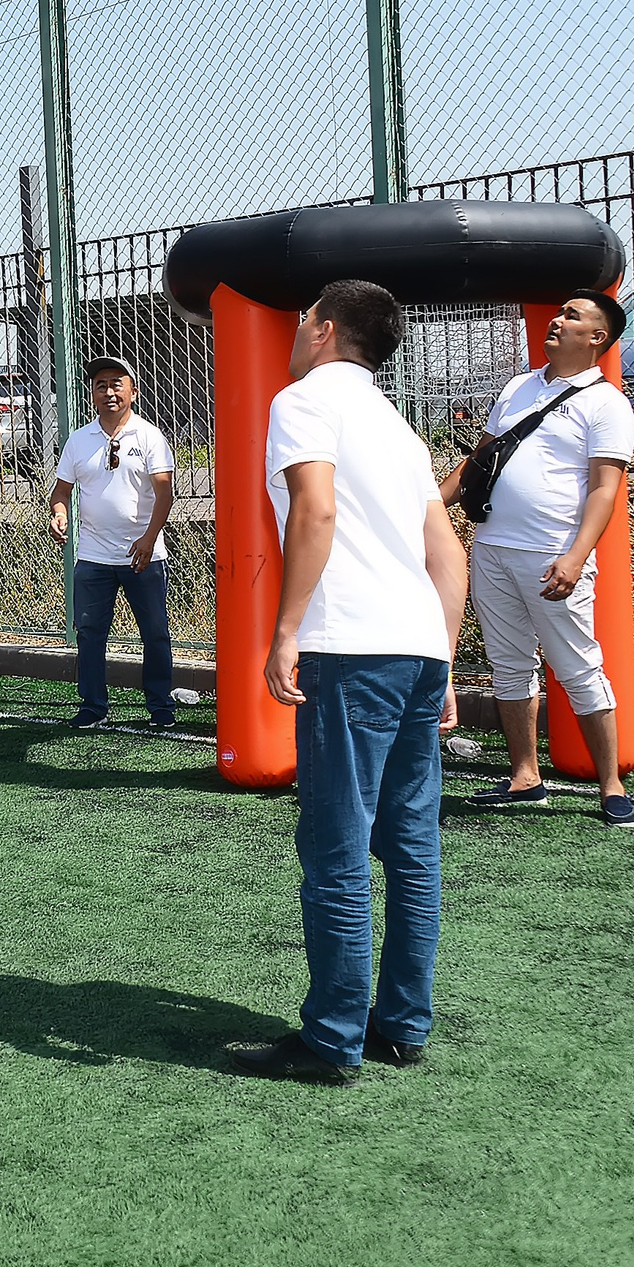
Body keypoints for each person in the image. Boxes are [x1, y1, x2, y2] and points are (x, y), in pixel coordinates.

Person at [228, 279, 467, 1085]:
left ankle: (331, 1038)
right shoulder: (401, 429)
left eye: (304, 319)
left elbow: (315, 512)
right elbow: (449, 558)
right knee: (412, 846)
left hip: (349, 646)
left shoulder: (302, 401)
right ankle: (400, 1024)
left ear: (324, 329)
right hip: (415, 649)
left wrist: (288, 629)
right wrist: (443, 659)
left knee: (335, 849)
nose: (297, 330)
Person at [443, 290, 634, 827]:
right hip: (491, 548)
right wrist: (432, 507)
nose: (556, 321)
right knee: (509, 667)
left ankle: (611, 786)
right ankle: (524, 777)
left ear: (597, 337)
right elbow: (479, 459)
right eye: (559, 313)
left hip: (554, 555)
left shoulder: (606, 403)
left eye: (572, 317)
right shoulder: (518, 386)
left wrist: (577, 556)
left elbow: (605, 490)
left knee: (579, 667)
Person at [47, 355, 178, 729]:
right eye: (101, 385)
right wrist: (59, 514)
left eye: (117, 384)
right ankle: (92, 706)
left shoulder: (149, 436)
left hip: (143, 555)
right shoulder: (78, 440)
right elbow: (61, 492)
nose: (109, 392)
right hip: (92, 557)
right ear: (92, 393)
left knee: (154, 632)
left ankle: (160, 706)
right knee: (88, 633)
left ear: (132, 392)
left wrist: (149, 539)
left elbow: (165, 493)